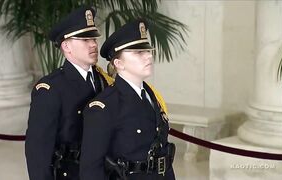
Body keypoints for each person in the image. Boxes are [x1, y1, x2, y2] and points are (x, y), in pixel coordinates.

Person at [80, 20, 176, 180]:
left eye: (147, 50)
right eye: (138, 52)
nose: (148, 56)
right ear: (119, 63)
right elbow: (91, 169)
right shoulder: (104, 107)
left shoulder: (152, 97)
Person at [25, 6, 113, 180]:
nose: (94, 44)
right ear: (66, 46)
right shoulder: (51, 89)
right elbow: (38, 152)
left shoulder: (102, 80)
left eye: (94, 39)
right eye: (85, 40)